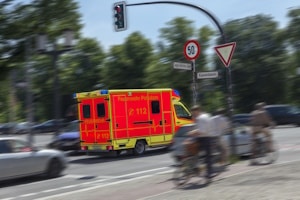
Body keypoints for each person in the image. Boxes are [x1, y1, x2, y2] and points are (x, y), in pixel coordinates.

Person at [189, 105, 215, 179]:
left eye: (194, 112)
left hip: (204, 138)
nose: (194, 114)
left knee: (204, 156)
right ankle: (207, 171)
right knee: (207, 156)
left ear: (198, 111)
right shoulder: (207, 115)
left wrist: (193, 132)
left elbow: (202, 131)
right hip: (207, 137)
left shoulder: (200, 118)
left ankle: (202, 170)